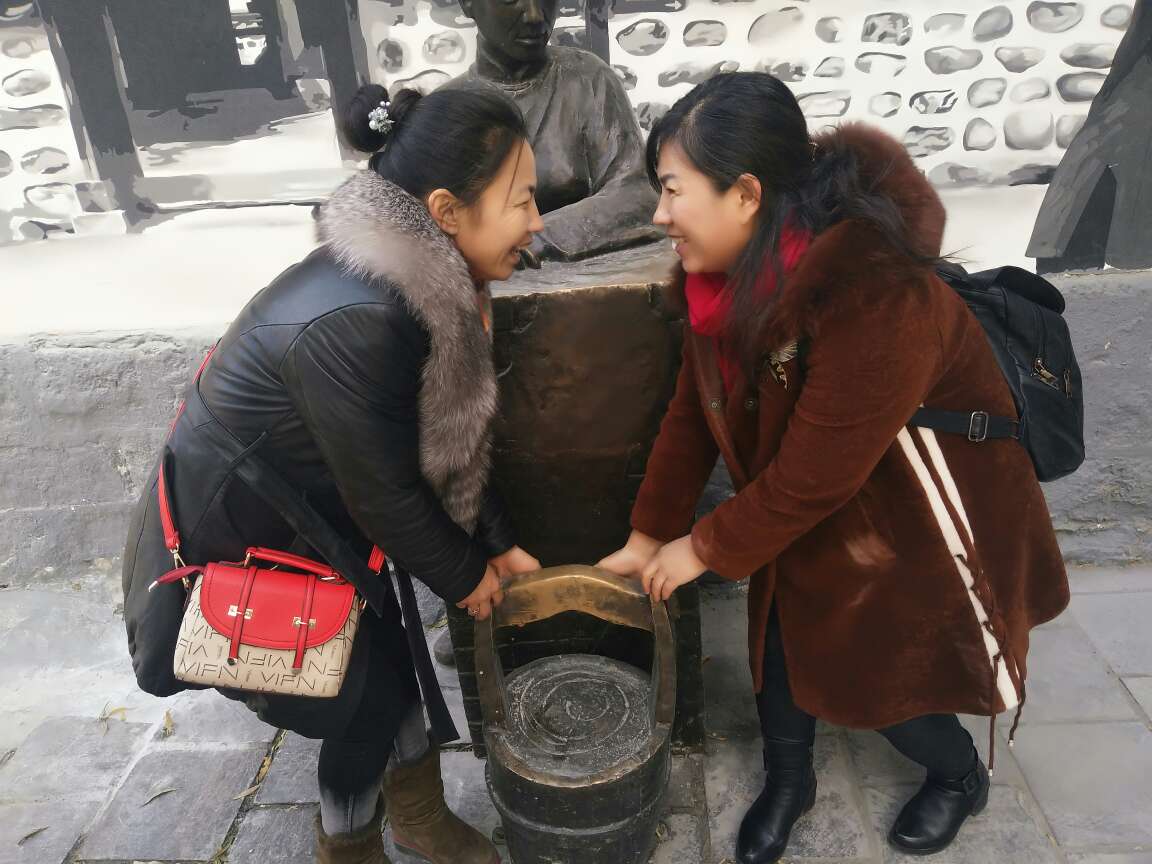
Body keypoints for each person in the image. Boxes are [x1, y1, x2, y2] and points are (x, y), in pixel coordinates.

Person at [598, 72, 1069, 863]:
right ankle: (791, 780)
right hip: (815, 486)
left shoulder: (876, 291)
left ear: (745, 194)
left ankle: (957, 775)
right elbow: (693, 416)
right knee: (782, 630)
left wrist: (700, 549)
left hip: (915, 502)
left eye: (673, 190)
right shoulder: (723, 284)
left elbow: (812, 478)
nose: (659, 215)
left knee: (889, 671)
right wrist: (648, 536)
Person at [121, 82, 544, 864]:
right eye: (522, 200)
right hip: (237, 552)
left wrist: (499, 541)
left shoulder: (417, 287)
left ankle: (417, 820)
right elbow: (386, 492)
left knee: (391, 676)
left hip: (316, 529)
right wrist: (467, 575)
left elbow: (443, 441)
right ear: (447, 211)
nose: (538, 221)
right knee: (365, 703)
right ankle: (348, 847)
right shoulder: (362, 316)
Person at [444, 0, 661, 263]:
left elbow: (637, 191)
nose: (535, 16)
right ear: (467, 5)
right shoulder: (444, 109)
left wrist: (538, 237)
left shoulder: (588, 79)